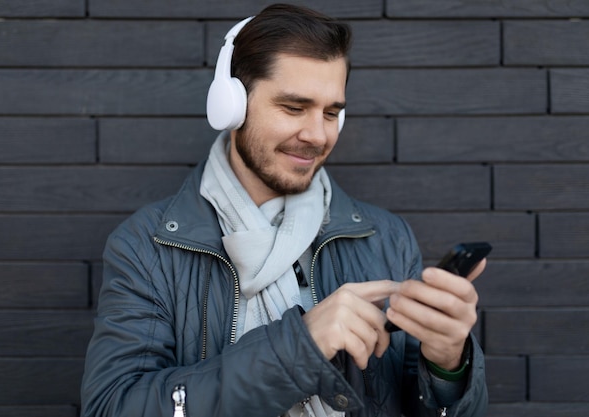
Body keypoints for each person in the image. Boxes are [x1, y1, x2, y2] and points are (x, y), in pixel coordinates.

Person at [81, 4, 488, 417]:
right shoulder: (147, 247)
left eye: (331, 113)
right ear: (232, 105)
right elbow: (113, 407)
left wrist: (447, 364)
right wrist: (300, 348)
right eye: (294, 108)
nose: (316, 135)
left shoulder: (387, 238)